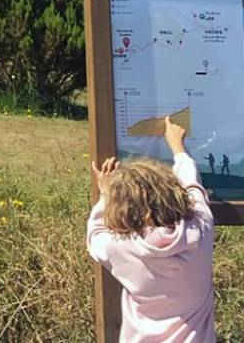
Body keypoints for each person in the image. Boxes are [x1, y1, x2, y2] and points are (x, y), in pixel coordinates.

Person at [87, 118, 214, 342]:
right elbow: (194, 189)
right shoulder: (199, 231)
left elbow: (95, 234)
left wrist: (106, 194)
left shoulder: (120, 249)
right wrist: (178, 148)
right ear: (174, 195)